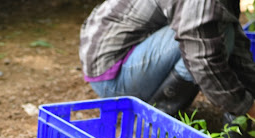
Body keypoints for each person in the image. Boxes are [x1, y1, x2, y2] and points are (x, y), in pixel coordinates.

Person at [79, 0, 255, 126]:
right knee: (211, 39)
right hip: (113, 72)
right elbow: (204, 62)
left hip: (131, 53)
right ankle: (152, 122)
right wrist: (246, 107)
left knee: (221, 32)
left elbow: (237, 42)